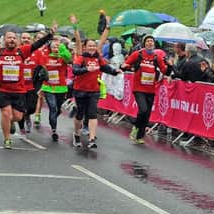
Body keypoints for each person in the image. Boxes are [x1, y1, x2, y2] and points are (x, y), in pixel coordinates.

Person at [0, 19, 53, 149]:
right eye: (9, 38)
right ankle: (7, 139)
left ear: (17, 41)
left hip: (18, 90)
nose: (11, 40)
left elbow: (37, 44)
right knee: (6, 113)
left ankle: (11, 122)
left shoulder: (22, 51)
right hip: (3, 90)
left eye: (14, 38)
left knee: (17, 116)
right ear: (4, 40)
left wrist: (50, 34)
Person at [71, 17, 116, 148]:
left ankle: (91, 139)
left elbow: (105, 67)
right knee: (79, 114)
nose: (92, 48)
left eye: (93, 46)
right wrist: (86, 69)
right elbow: (75, 71)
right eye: (89, 46)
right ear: (85, 47)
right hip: (80, 90)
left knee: (92, 114)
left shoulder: (98, 58)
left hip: (93, 91)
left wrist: (115, 71)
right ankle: (76, 134)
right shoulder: (81, 57)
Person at [121, 34, 170, 144]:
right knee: (142, 109)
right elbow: (127, 64)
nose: (150, 43)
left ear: (154, 44)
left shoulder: (156, 57)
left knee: (147, 114)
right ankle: (135, 127)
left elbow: (164, 71)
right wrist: (124, 66)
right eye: (148, 41)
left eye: (152, 41)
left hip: (151, 89)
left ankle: (139, 136)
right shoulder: (137, 54)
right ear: (144, 43)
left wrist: (169, 66)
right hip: (139, 88)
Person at [41, 37, 72, 141]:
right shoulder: (45, 57)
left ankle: (52, 119)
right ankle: (54, 130)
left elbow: (69, 58)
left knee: (57, 109)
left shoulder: (63, 57)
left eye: (57, 46)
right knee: (53, 108)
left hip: (61, 88)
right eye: (53, 46)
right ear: (50, 48)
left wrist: (61, 46)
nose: (56, 48)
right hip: (48, 87)